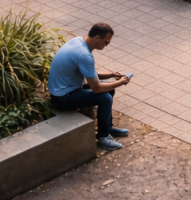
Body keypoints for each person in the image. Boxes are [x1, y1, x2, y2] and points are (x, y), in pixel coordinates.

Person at [48, 23, 131, 151]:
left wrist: (111, 75)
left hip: (65, 90)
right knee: (105, 97)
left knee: (109, 88)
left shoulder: (78, 41)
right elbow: (96, 88)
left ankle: (107, 127)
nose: (107, 45)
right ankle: (103, 138)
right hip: (63, 97)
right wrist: (121, 82)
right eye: (106, 42)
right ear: (97, 38)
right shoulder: (84, 55)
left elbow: (89, 73)